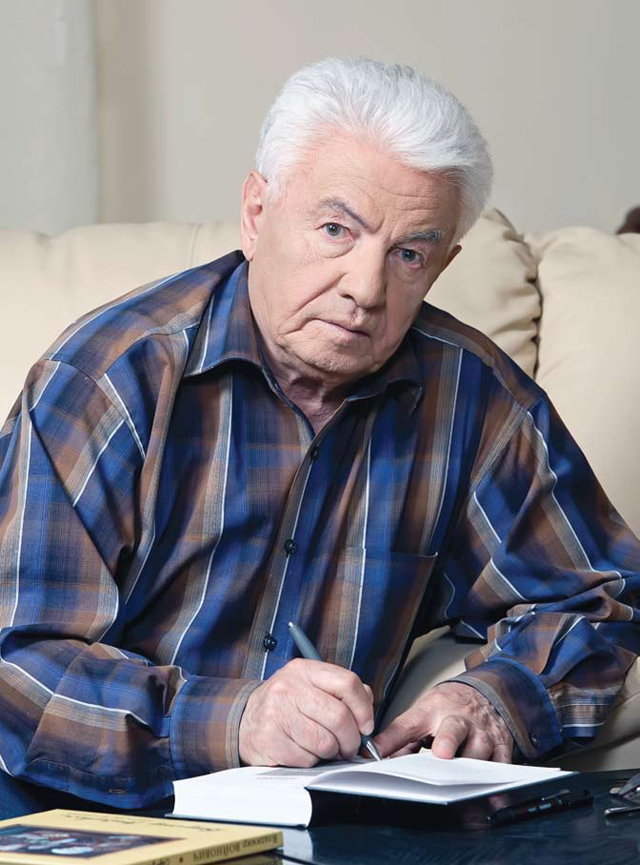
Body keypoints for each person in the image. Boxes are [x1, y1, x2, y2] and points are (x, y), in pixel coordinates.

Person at [0, 57, 639, 809]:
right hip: (86, 814)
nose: (365, 289)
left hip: (335, 820)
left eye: (408, 254)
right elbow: (16, 660)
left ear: (442, 266)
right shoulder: (110, 377)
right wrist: (235, 720)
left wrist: (493, 700)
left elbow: (596, 599)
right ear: (256, 213)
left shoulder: (474, 396)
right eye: (337, 230)